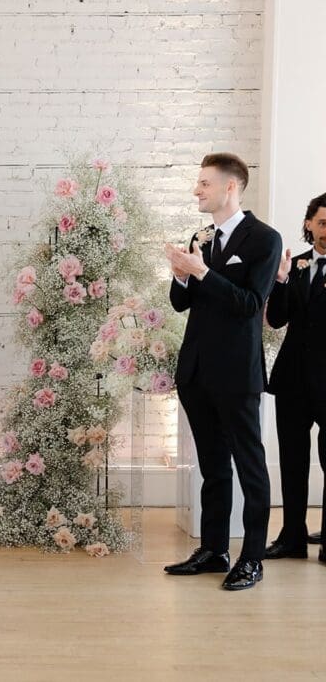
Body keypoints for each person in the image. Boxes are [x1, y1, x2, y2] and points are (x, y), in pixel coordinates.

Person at [163, 153, 283, 590]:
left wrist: (202, 272)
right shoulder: (202, 236)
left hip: (236, 374)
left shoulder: (265, 239)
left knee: (250, 467)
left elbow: (251, 305)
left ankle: (252, 558)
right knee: (212, 466)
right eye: (197, 184)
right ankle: (214, 549)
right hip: (196, 371)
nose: (197, 190)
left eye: (204, 183)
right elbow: (182, 303)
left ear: (231, 187)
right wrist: (180, 276)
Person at [263, 191, 326, 564]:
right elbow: (275, 320)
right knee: (292, 459)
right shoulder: (294, 265)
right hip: (292, 381)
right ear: (309, 224)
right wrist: (281, 282)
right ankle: (292, 537)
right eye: (322, 222)